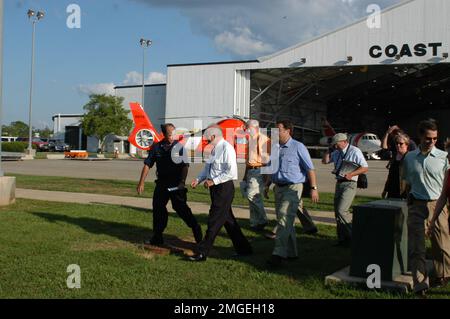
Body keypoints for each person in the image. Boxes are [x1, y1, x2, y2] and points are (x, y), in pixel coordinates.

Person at [189, 125, 252, 262]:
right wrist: (198, 179)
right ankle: (244, 249)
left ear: (213, 136)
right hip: (216, 189)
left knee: (214, 220)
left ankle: (202, 252)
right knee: (228, 220)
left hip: (224, 188)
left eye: (206, 138)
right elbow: (208, 167)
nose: (205, 140)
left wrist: (214, 181)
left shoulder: (226, 148)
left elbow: (231, 172)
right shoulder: (214, 149)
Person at [402, 120, 450, 295]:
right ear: (420, 136)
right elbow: (407, 181)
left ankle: (442, 276)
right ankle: (420, 284)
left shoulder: (444, 158)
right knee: (416, 247)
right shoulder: (409, 157)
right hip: (416, 205)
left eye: (435, 138)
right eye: (428, 138)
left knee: (442, 246)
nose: (432, 142)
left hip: (438, 205)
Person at [136, 124, 202, 246]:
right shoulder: (156, 148)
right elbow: (147, 164)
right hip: (161, 184)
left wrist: (182, 183)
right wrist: (141, 182)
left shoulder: (179, 147)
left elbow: (185, 166)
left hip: (176, 184)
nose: (172, 137)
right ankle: (157, 236)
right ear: (164, 134)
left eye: (173, 134)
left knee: (180, 208)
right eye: (169, 134)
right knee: (158, 208)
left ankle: (196, 229)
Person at [265, 120, 319, 267]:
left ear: (288, 130)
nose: (275, 133)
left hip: (293, 187)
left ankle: (278, 254)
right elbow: (271, 168)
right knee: (285, 221)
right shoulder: (275, 148)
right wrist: (267, 185)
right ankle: (292, 253)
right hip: (278, 187)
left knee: (283, 218)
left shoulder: (298, 147)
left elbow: (310, 169)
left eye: (278, 130)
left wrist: (313, 188)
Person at [322, 133, 369, 247]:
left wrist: (351, 174)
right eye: (334, 145)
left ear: (344, 142)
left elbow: (365, 167)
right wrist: (329, 150)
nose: (335, 146)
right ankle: (343, 239)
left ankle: (354, 237)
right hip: (339, 183)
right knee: (337, 213)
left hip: (350, 183)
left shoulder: (354, 151)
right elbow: (325, 161)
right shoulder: (337, 152)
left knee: (342, 211)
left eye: (336, 144)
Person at [243, 119, 270, 231]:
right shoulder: (251, 140)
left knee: (252, 196)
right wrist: (245, 175)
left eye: (247, 127)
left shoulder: (262, 140)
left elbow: (266, 161)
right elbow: (249, 160)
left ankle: (263, 219)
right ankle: (254, 222)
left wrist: (266, 178)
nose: (245, 130)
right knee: (253, 198)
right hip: (250, 170)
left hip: (258, 170)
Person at [382, 133, 411, 199]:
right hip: (392, 191)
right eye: (396, 143)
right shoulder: (394, 157)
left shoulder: (410, 157)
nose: (398, 145)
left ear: (406, 144)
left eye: (401, 143)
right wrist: (385, 189)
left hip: (404, 192)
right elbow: (390, 175)